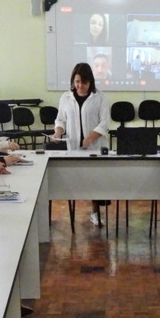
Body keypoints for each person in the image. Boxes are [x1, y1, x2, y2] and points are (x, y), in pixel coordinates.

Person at [53, 62, 111, 226]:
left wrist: (90, 138)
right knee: (77, 180)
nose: (80, 86)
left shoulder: (100, 97)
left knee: (97, 182)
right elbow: (60, 119)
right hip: (74, 148)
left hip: (96, 147)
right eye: (77, 82)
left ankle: (96, 212)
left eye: (84, 82)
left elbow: (105, 123)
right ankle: (72, 213)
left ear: (90, 82)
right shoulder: (65, 97)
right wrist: (58, 131)